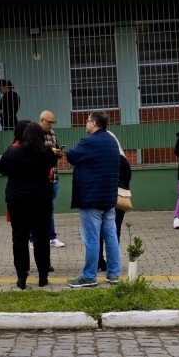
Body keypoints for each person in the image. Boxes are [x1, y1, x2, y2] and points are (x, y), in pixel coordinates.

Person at [0, 123, 59, 289]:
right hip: (41, 200)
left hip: (17, 200)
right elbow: (53, 163)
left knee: (19, 238)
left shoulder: (12, 151)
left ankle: (22, 277)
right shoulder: (46, 152)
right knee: (41, 238)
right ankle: (42, 276)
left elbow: (1, 169)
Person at [65, 111, 120, 288]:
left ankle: (89, 276)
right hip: (109, 198)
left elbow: (71, 156)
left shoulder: (88, 141)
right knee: (111, 237)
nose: (86, 124)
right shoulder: (112, 141)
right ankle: (113, 274)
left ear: (94, 124)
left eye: (88, 121)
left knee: (91, 239)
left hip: (91, 198)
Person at [98, 131, 130, 272]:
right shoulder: (122, 159)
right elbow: (127, 179)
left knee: (98, 231)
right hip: (118, 200)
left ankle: (99, 260)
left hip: (101, 199)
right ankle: (113, 263)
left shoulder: (99, 157)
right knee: (115, 231)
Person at [35, 110, 65, 248]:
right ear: (41, 120)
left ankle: (51, 237)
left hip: (53, 176)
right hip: (39, 178)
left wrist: (58, 153)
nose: (51, 125)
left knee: (50, 209)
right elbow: (35, 152)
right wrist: (50, 151)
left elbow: (55, 149)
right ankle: (33, 238)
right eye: (49, 122)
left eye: (53, 122)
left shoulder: (52, 133)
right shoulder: (34, 132)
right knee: (35, 209)